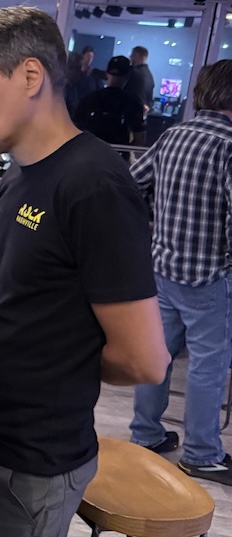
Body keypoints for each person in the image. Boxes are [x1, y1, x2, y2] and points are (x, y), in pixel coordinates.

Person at [0, 7, 169, 537]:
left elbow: (145, 361)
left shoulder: (92, 184)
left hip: (26, 467)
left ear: (30, 76)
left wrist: (58, 367)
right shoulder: (24, 170)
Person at [128, 60, 232, 485]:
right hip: (210, 276)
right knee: (210, 366)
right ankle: (202, 453)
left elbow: (130, 183)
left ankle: (146, 434)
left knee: (157, 358)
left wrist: (152, 223)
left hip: (162, 268)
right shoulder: (230, 145)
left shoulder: (172, 136)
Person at [74, 55, 147, 148]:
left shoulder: (90, 98)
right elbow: (140, 138)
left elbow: (75, 127)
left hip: (90, 152)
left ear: (107, 74)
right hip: (117, 156)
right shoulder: (132, 104)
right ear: (127, 77)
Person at [125, 46, 155, 111]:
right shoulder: (150, 77)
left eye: (133, 55)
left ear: (142, 57)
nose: (130, 57)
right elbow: (149, 100)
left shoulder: (133, 72)